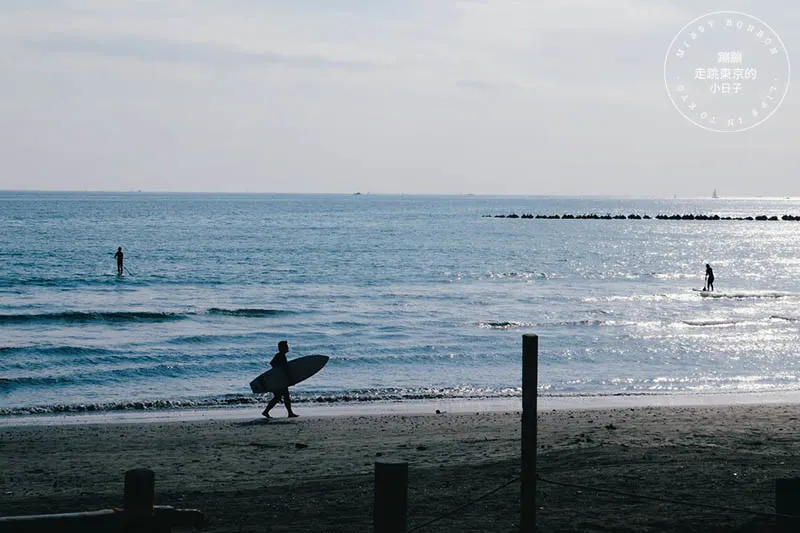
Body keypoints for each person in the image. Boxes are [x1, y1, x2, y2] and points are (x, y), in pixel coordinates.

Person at [262, 340, 298, 418]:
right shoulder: (281, 356)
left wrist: (277, 371)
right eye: (286, 346)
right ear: (282, 348)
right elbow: (285, 369)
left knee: (278, 397)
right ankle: (290, 413)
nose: (288, 348)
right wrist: (290, 379)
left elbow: (273, 363)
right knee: (285, 396)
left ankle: (266, 411)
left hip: (279, 379)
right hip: (280, 380)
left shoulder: (279, 355)